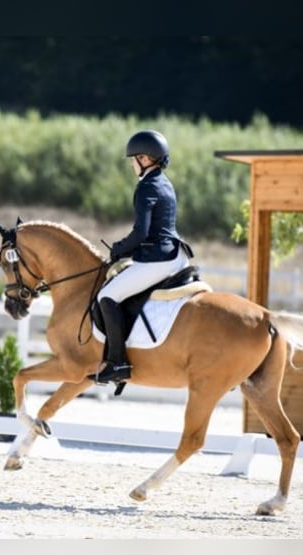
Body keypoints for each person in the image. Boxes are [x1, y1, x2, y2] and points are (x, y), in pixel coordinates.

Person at [87, 129, 193, 384]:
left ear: (145, 159)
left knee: (106, 295)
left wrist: (119, 249)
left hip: (159, 259)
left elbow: (141, 232)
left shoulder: (146, 187)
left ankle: (117, 362)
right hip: (174, 254)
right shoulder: (165, 183)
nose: (132, 164)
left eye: (134, 158)